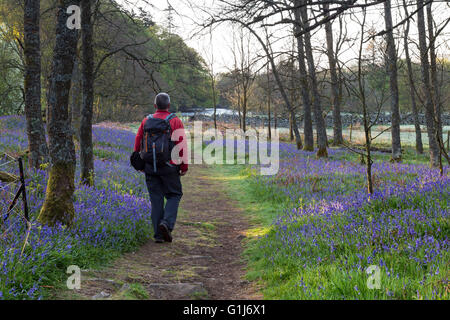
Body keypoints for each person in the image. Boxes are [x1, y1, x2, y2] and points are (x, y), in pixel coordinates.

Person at [134, 93, 188, 243]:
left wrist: (140, 163)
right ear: (169, 106)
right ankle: (167, 223)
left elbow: (138, 142)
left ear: (155, 106)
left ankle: (158, 235)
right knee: (174, 194)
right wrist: (183, 166)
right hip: (169, 166)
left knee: (156, 199)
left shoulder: (146, 121)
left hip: (150, 167)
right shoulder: (175, 121)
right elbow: (181, 145)